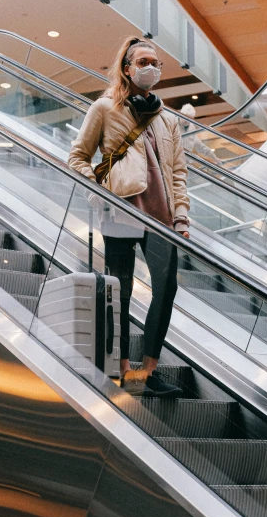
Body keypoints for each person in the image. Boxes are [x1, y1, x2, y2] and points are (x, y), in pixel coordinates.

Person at [68, 37, 190, 398]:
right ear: (127, 67)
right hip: (120, 211)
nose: (150, 68)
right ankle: (122, 371)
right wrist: (99, 195)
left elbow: (179, 173)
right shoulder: (105, 108)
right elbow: (77, 157)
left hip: (161, 218)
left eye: (156, 62)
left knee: (166, 288)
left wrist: (181, 217)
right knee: (119, 293)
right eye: (143, 62)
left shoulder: (167, 120)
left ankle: (147, 371)